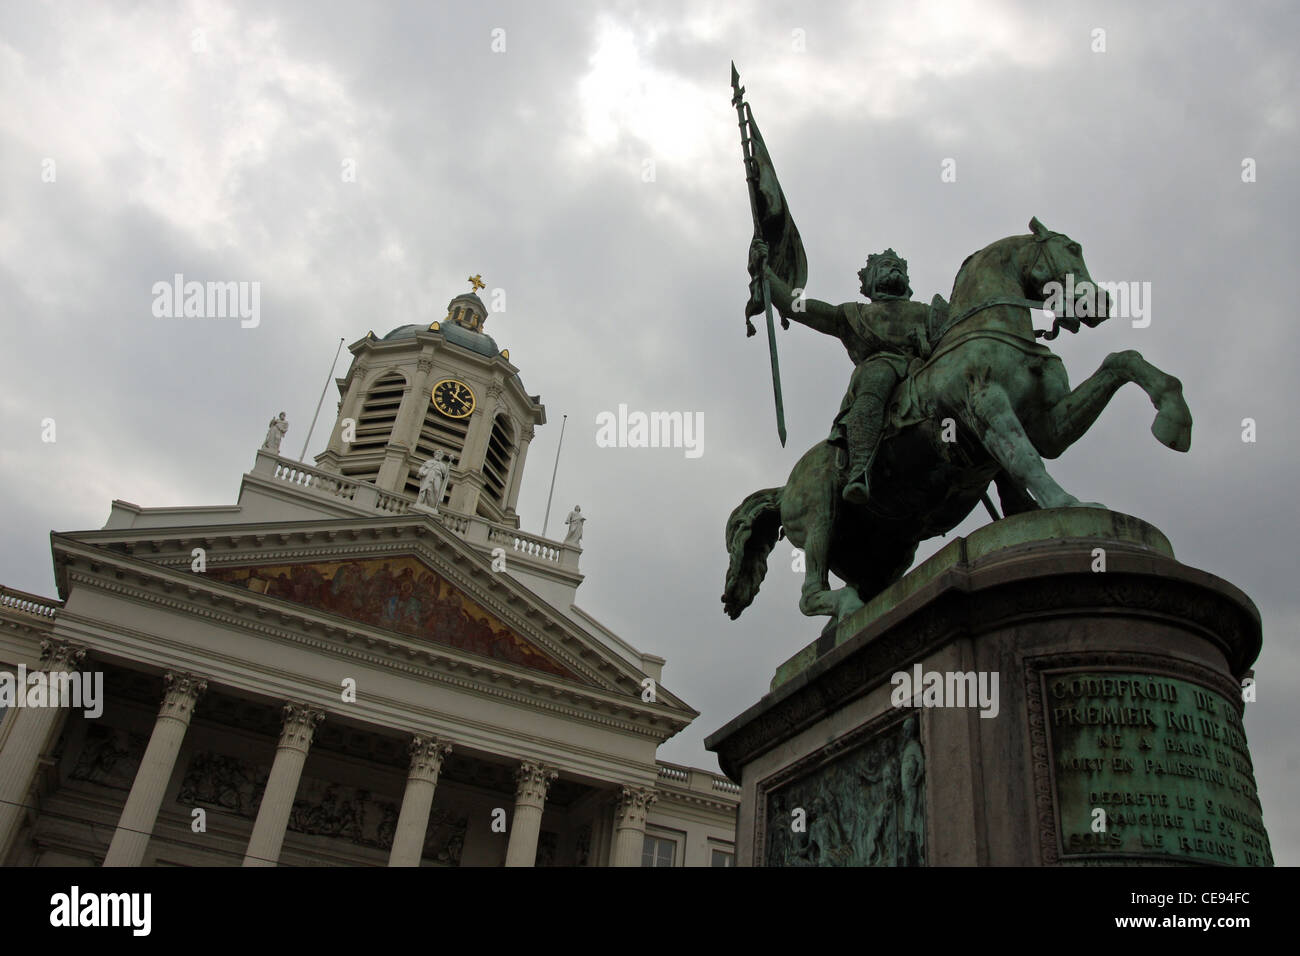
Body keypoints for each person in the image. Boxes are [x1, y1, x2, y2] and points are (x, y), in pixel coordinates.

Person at [751, 239, 932, 505]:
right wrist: (765, 274)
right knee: (877, 380)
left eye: (897, 267)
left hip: (927, 368)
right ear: (869, 283)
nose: (893, 268)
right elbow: (796, 307)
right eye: (884, 266)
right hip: (881, 369)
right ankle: (859, 467)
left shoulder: (929, 312)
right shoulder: (851, 315)